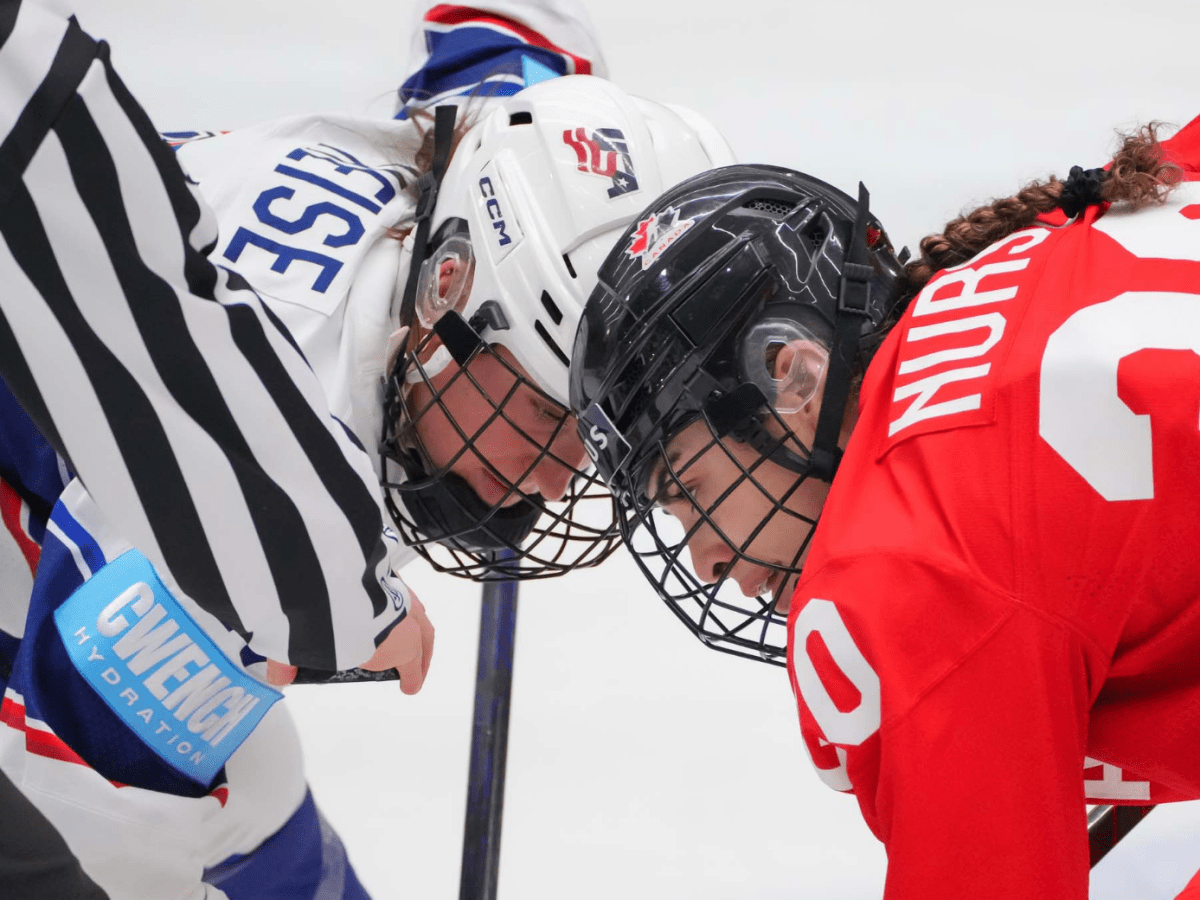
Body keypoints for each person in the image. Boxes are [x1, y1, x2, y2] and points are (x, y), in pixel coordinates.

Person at [0, 1, 734, 897]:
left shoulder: (466, 168)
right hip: (78, 573)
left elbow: (506, 38)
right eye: (547, 415)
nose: (558, 476)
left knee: (252, 783)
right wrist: (332, 606)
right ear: (448, 291)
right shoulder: (272, 498)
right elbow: (88, 814)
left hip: (81, 491)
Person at [570, 115, 1200, 900]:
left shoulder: (906, 572)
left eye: (687, 490)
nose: (707, 560)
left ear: (790, 376)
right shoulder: (1046, 239)